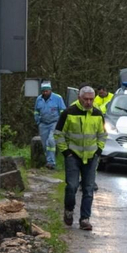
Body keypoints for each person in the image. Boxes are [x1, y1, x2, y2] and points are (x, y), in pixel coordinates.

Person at [60, 86, 107, 230]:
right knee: (72, 186)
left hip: (91, 157)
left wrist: (98, 151)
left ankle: (85, 219)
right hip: (73, 156)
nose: (88, 102)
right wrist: (66, 152)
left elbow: (102, 135)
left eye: (91, 99)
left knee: (88, 189)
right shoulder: (68, 113)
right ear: (79, 98)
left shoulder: (98, 115)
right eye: (85, 99)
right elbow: (58, 134)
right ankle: (69, 210)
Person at [32, 80, 65, 169]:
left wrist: (60, 124)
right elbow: (36, 111)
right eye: (43, 91)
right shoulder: (39, 99)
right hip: (43, 124)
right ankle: (49, 161)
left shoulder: (58, 98)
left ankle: (52, 163)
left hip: (54, 123)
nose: (45, 93)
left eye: (47, 91)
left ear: (50, 90)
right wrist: (38, 121)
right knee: (44, 144)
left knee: (50, 141)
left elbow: (63, 111)